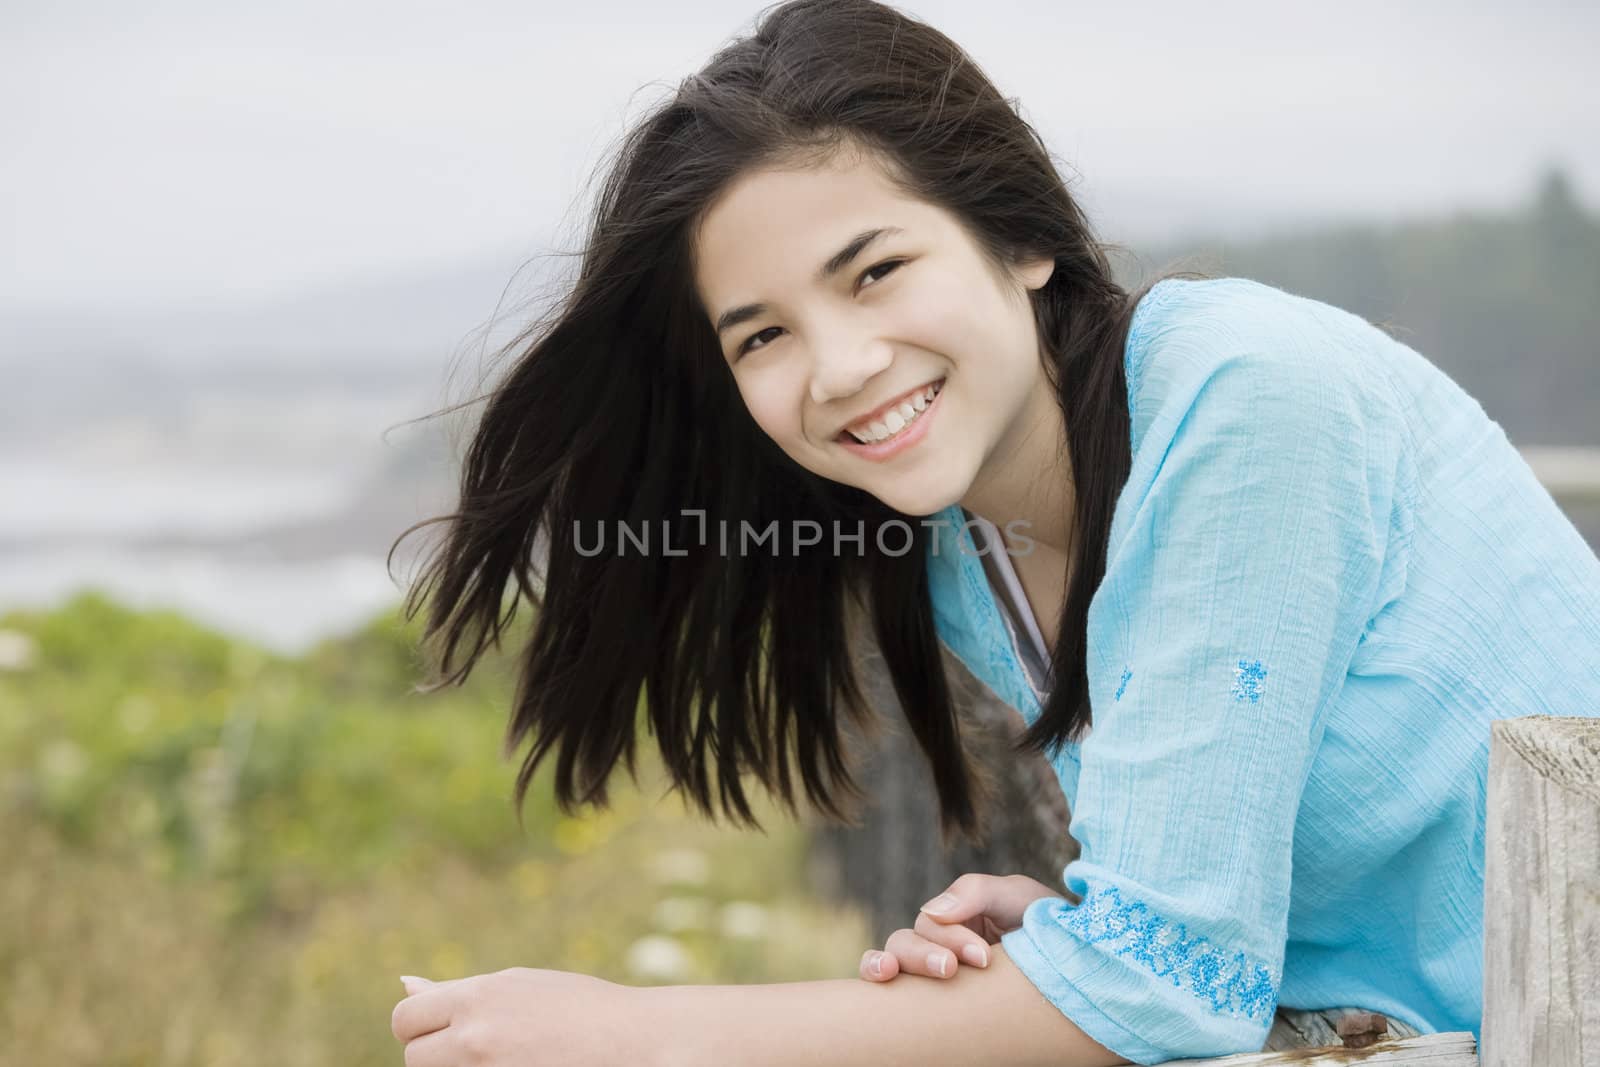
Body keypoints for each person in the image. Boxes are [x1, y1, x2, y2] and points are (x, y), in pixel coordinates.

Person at [387, 0, 1600, 1064]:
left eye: (873, 272)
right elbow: (1185, 963)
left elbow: (1165, 988)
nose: (841, 368)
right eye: (762, 336)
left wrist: (635, 1032)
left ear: (1018, 238)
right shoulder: (960, 547)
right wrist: (1078, 937)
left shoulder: (1244, 395)